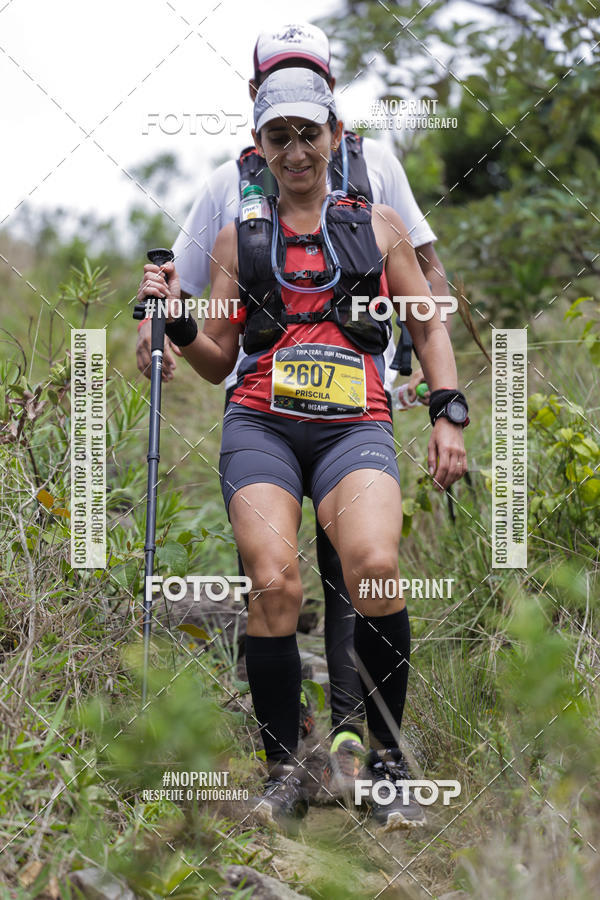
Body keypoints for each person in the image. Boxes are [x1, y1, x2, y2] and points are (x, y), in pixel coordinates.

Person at [136, 67, 468, 830]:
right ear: (259, 145)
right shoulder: (235, 235)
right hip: (262, 427)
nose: (295, 151)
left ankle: (387, 768)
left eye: (308, 134)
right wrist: (179, 321)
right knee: (275, 581)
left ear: (335, 137)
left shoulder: (380, 226)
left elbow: (426, 325)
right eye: (278, 136)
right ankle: (282, 770)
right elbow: (218, 357)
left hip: (356, 427)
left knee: (376, 568)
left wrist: (447, 413)